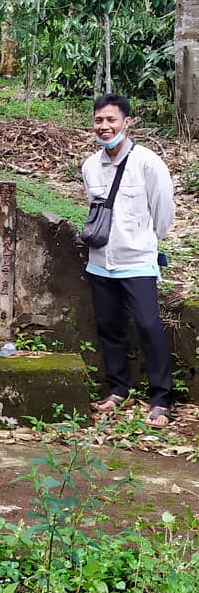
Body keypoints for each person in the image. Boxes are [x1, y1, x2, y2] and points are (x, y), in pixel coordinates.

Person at [84, 93, 176, 428]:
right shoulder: (90, 166)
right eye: (99, 120)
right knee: (109, 327)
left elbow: (163, 212)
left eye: (111, 119)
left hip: (137, 260)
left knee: (148, 326)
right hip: (100, 260)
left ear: (126, 122)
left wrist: (145, 240)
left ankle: (161, 398)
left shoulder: (148, 163)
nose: (104, 126)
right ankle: (118, 389)